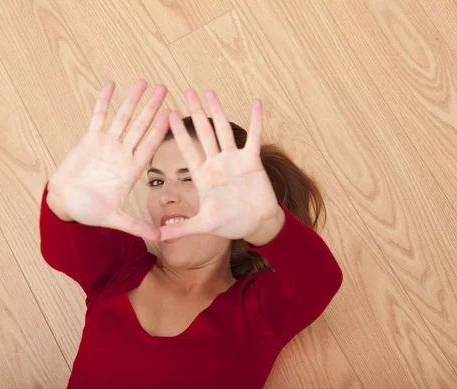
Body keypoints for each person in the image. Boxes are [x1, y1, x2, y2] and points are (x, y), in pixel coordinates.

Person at [39, 79, 343, 388]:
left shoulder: (257, 310)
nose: (165, 195)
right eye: (156, 181)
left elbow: (319, 280)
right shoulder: (120, 267)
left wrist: (265, 223)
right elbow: (63, 245)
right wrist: (63, 203)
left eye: (190, 179)